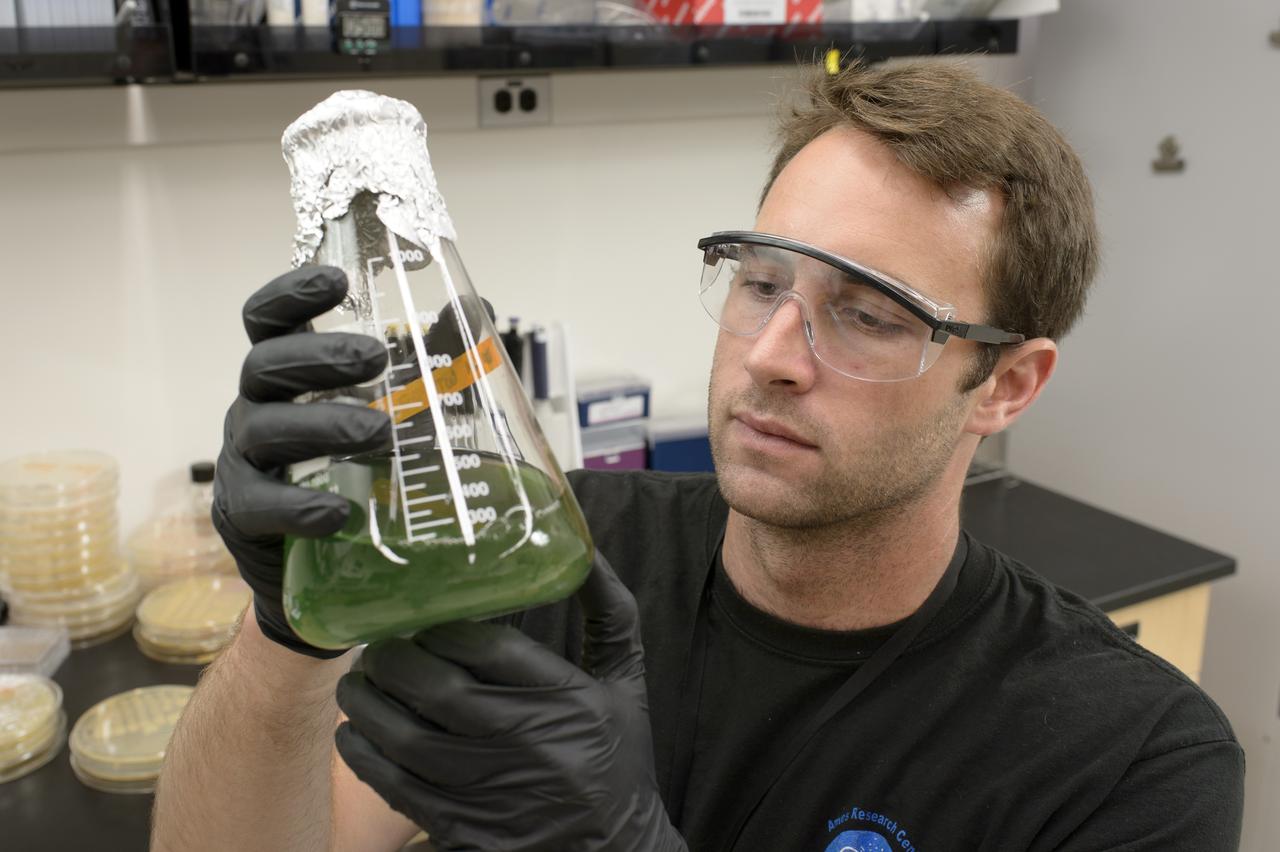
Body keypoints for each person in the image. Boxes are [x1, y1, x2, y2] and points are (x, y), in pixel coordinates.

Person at [152, 59, 1245, 852]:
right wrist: (288, 634)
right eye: (760, 282)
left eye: (866, 315)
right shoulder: (550, 557)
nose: (769, 355)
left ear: (1004, 384)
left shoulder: (1128, 759)